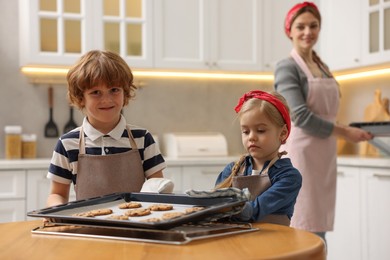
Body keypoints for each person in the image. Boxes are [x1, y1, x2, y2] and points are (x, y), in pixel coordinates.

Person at [274, 2, 373, 241]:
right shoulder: (287, 67)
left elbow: (326, 113)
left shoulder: (323, 68)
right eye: (301, 26)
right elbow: (301, 116)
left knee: (319, 226)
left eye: (313, 25)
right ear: (289, 30)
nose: (307, 32)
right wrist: (345, 133)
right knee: (302, 224)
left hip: (324, 155)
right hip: (302, 156)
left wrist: (346, 130)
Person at [46, 50, 168, 207]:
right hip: (89, 228)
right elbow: (57, 194)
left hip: (137, 226)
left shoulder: (143, 139)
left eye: (114, 90)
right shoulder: (67, 144)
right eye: (96, 92)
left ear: (125, 92)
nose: (106, 99)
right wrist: (54, 210)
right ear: (81, 97)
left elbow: (158, 187)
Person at [215, 90, 302, 226]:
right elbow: (215, 207)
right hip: (237, 243)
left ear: (283, 133)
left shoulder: (289, 177)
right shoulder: (232, 170)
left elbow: (253, 211)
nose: (251, 137)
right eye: (246, 131)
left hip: (276, 244)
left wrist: (219, 207)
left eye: (260, 130)